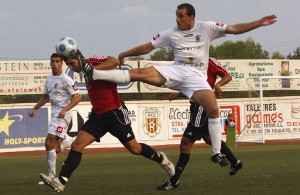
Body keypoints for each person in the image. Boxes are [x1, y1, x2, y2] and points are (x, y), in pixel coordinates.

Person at [79, 3, 276, 165]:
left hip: (195, 78)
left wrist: (258, 23)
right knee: (139, 73)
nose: (177, 19)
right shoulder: (170, 33)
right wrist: (125, 54)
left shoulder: (207, 28)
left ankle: (216, 153)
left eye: (181, 16)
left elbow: (234, 29)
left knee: (213, 108)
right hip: (176, 71)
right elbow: (148, 47)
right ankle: (94, 73)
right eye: (176, 15)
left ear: (191, 17)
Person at [40, 50, 175, 193]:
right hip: (97, 116)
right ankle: (61, 181)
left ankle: (160, 158)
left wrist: (93, 70)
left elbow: (115, 61)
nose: (72, 68)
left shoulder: (92, 62)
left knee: (134, 148)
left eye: (72, 63)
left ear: (79, 59)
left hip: (114, 113)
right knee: (77, 145)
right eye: (69, 65)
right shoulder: (81, 71)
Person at [157, 57, 243, 190]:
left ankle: (174, 181)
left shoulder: (209, 60)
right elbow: (194, 87)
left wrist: (218, 86)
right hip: (197, 106)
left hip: (201, 107)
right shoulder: (192, 61)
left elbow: (227, 76)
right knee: (210, 138)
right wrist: (179, 94)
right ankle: (235, 162)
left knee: (186, 142)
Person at [29, 53, 81, 185]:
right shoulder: (49, 80)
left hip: (63, 115)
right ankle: (80, 138)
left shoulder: (66, 79)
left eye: (57, 61)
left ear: (62, 63)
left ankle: (51, 177)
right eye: (52, 61)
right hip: (55, 114)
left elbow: (77, 97)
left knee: (48, 142)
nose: (54, 63)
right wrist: (35, 108)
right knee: (55, 148)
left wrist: (64, 110)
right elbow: (46, 97)